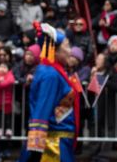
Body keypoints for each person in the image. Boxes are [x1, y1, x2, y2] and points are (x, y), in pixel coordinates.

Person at [20, 23, 82, 162]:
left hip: (57, 138)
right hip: (53, 143)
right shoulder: (51, 74)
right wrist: (36, 145)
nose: (70, 51)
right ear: (56, 51)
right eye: (66, 46)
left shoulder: (52, 71)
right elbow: (43, 108)